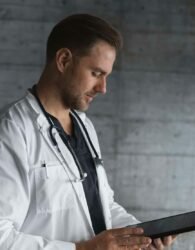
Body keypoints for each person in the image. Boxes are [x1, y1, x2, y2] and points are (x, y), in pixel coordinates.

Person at [0, 14, 176, 250]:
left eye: (106, 76)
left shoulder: (84, 126)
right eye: (96, 73)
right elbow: (2, 236)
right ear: (63, 60)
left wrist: (142, 234)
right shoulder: (13, 129)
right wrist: (82, 249)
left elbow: (104, 205)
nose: (103, 89)